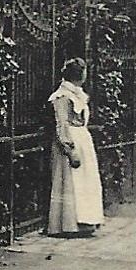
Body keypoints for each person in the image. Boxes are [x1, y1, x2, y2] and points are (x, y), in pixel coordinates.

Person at [48, 58, 104, 237]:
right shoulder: (62, 96)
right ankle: (68, 224)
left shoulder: (77, 94)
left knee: (85, 182)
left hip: (83, 139)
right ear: (79, 74)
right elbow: (61, 124)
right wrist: (69, 149)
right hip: (71, 141)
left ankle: (86, 221)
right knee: (71, 182)